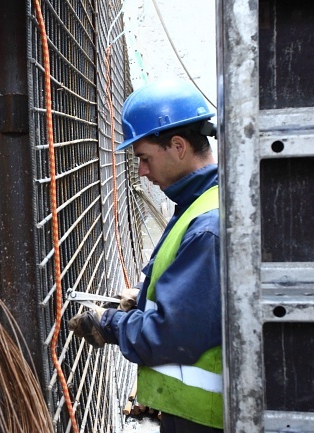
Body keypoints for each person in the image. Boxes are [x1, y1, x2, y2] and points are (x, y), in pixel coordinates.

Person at [69, 79, 223, 433]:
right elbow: (202, 301)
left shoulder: (206, 225)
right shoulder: (200, 204)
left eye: (144, 158)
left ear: (178, 146)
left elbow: (174, 336)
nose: (140, 171)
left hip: (204, 419)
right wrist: (143, 298)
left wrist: (107, 324)